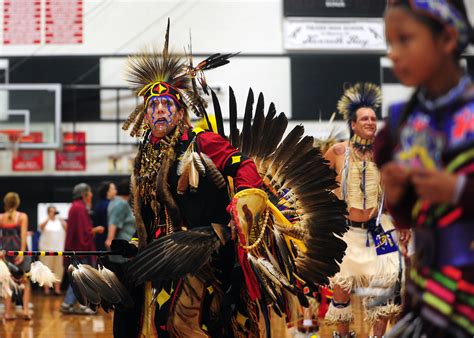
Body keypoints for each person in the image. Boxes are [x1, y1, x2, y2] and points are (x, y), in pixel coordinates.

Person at [108, 21, 347, 338]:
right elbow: (150, 214)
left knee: (180, 323)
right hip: (162, 251)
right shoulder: (144, 159)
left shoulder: (201, 141)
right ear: (145, 115)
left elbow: (243, 164)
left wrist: (245, 200)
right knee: (145, 321)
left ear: (180, 113)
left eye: (168, 105)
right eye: (153, 106)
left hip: (204, 244)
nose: (160, 111)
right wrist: (136, 243)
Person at [375, 1, 473, 337]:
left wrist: (459, 191)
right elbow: (408, 217)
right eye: (390, 43)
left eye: (405, 39)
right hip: (430, 292)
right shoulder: (401, 123)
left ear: (446, 38)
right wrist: (396, 195)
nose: (394, 54)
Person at [324, 83, 408, 338]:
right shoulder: (337, 152)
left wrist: (404, 221)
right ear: (353, 124)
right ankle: (343, 334)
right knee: (340, 285)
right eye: (365, 118)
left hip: (378, 229)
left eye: (373, 118)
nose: (371, 122)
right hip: (346, 231)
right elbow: (319, 186)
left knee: (387, 284)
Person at [60, 183, 104, 315]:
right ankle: (81, 305)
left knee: (78, 277)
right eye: (89, 192)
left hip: (75, 247)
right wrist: (95, 230)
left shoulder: (74, 207)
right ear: (84, 194)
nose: (91, 195)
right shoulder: (80, 208)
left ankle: (67, 304)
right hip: (80, 249)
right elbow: (84, 232)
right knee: (82, 277)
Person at [0, 192, 32, 320]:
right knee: (25, 281)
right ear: (17, 202)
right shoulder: (22, 216)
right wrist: (22, 252)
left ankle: (7, 313)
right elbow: (23, 235)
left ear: (5, 203)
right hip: (19, 250)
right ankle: (25, 311)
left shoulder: (1, 217)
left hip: (6, 252)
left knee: (7, 282)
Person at [38, 205, 67, 295]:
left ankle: (57, 289)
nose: (53, 213)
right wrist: (48, 218)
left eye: (54, 211)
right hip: (46, 249)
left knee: (58, 269)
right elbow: (41, 227)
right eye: (51, 211)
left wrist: (62, 220)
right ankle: (46, 289)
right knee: (46, 269)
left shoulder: (60, 221)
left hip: (59, 249)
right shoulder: (44, 220)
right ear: (48, 212)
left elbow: (67, 228)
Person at [93, 181, 117, 251]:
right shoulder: (110, 205)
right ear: (108, 192)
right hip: (108, 239)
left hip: (99, 239)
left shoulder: (98, 204)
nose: (116, 191)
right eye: (114, 189)